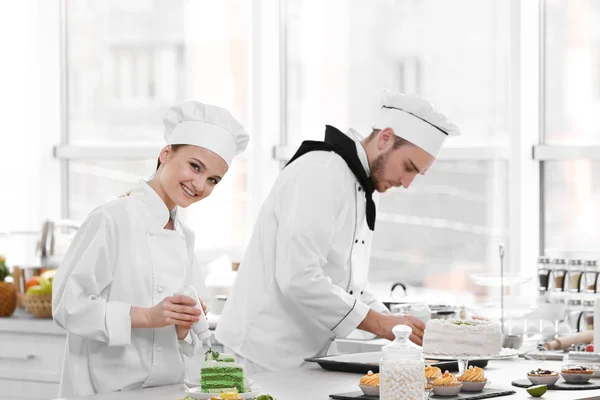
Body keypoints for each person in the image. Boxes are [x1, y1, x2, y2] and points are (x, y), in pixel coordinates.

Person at [216, 90, 460, 372]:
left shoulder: (363, 184)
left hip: (301, 358)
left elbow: (345, 284)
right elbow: (299, 278)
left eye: (417, 174)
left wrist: (400, 323)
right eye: (408, 167)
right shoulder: (321, 171)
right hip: (259, 355)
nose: (407, 183)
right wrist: (382, 324)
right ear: (385, 138)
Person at [52, 101, 249, 396]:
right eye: (195, 166)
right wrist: (147, 316)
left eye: (212, 180)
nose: (199, 185)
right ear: (166, 153)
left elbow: (184, 337)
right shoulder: (112, 218)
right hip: (107, 390)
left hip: (167, 390)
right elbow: (68, 304)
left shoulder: (185, 236)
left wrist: (184, 324)